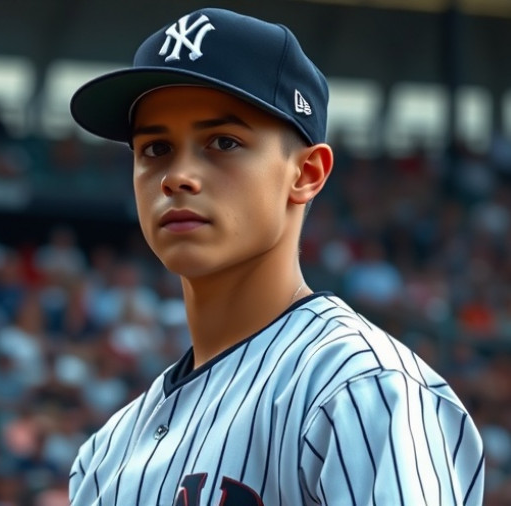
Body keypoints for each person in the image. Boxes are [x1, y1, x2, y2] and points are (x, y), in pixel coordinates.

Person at [66, 7, 483, 505]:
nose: (177, 177)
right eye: (155, 149)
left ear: (306, 173)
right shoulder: (103, 455)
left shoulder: (360, 388)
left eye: (223, 142)